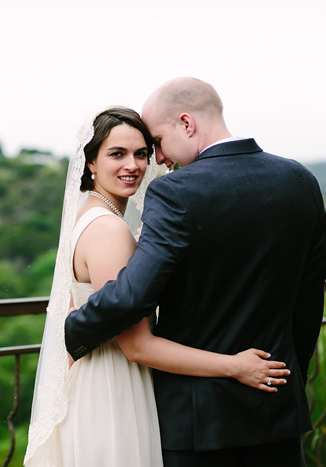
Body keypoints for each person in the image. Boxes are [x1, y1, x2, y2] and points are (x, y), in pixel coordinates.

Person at [65, 78, 326, 466]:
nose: (157, 159)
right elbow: (309, 299)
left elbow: (134, 295)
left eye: (155, 142)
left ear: (186, 124)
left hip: (197, 425)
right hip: (276, 409)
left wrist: (74, 328)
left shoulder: (177, 192)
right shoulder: (301, 179)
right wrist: (286, 377)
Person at [25, 106, 290, 466]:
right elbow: (137, 346)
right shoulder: (108, 229)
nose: (132, 165)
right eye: (116, 154)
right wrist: (234, 366)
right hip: (113, 384)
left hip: (100, 375)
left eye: (141, 153)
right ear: (90, 162)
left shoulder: (88, 213)